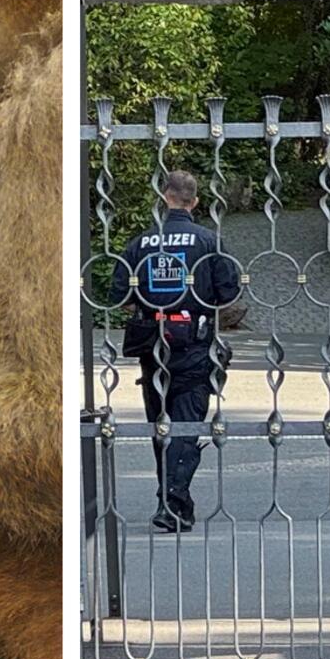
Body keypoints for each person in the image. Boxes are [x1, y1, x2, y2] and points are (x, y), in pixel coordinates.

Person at [113, 170, 239, 532]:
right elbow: (229, 293)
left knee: (161, 425)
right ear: (194, 202)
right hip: (194, 344)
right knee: (184, 423)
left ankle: (174, 502)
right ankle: (172, 502)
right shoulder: (207, 241)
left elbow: (120, 296)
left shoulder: (141, 243)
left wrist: (155, 308)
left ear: (164, 197)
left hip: (151, 344)